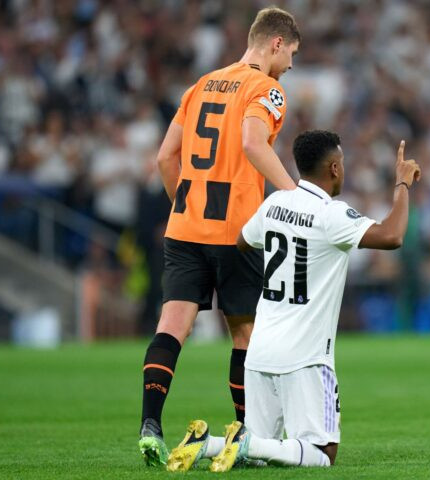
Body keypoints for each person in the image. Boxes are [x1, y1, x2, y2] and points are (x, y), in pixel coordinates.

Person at [165, 130, 420, 472]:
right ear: (333, 168)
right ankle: (243, 441)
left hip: (260, 352)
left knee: (258, 457)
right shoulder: (331, 214)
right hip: (306, 357)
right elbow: (393, 236)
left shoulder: (274, 203)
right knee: (322, 454)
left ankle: (208, 443)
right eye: (342, 164)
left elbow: (243, 241)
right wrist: (402, 185)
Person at [139, 7, 300, 466]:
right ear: (275, 43)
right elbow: (252, 143)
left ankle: (150, 424)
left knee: (172, 327)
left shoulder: (201, 84)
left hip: (186, 227)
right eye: (291, 53)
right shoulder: (267, 89)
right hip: (237, 232)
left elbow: (166, 158)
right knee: (245, 332)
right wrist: (295, 194)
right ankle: (245, 438)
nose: (290, 64)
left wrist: (184, 206)